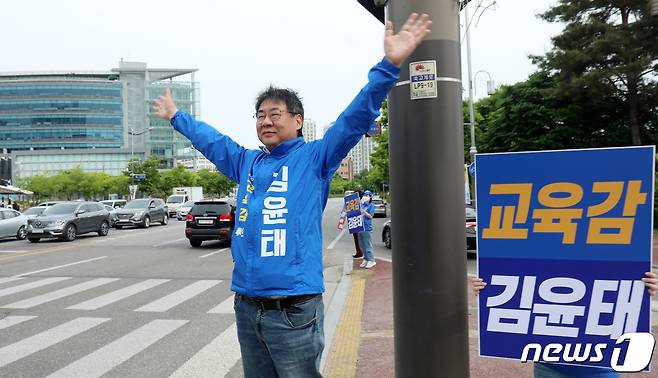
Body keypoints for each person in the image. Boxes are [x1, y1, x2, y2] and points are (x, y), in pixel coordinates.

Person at [153, 13, 432, 378]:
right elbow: (213, 142)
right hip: (247, 305)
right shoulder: (246, 162)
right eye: (259, 115)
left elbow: (354, 120)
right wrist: (177, 117)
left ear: (298, 120)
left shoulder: (316, 157)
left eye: (274, 114)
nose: (265, 121)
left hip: (294, 309)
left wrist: (389, 64)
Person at [471, 272, 658, 377]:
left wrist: (646, 289)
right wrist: (488, 288)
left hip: (600, 366)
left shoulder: (616, 256)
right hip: (548, 363)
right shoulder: (548, 255)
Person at [358, 190, 376, 269]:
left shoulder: (371, 205)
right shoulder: (361, 204)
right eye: (364, 195)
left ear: (370, 197)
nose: (365, 196)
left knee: (367, 244)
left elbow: (370, 216)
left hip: (367, 227)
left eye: (367, 195)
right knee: (362, 245)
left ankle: (371, 260)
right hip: (360, 226)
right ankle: (365, 258)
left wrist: (364, 212)